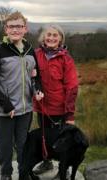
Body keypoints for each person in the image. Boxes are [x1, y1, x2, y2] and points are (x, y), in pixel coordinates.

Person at [0, 11, 42, 180]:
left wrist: (37, 89)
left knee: (23, 146)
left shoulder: (30, 50)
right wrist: (6, 105)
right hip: (5, 111)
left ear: (25, 29)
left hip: (26, 109)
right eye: (12, 26)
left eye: (19, 26)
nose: (15, 29)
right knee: (5, 147)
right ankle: (6, 175)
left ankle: (24, 174)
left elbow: (36, 75)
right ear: (6, 29)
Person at [33, 24, 79, 175]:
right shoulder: (35, 54)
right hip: (41, 107)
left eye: (55, 35)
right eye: (49, 35)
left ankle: (63, 169)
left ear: (60, 39)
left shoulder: (66, 59)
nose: (51, 38)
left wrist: (70, 114)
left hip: (59, 109)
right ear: (43, 38)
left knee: (61, 142)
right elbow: (31, 77)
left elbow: (72, 87)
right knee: (44, 138)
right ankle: (46, 163)